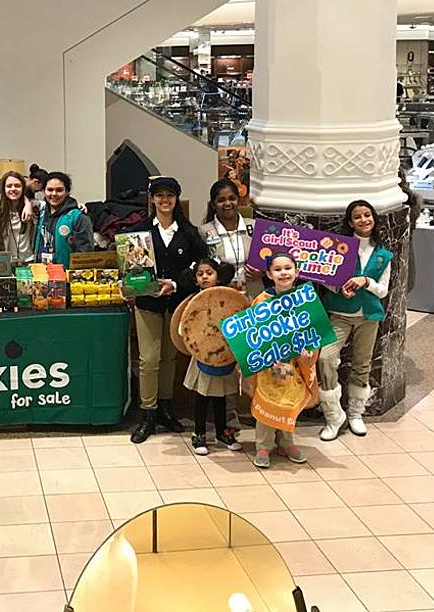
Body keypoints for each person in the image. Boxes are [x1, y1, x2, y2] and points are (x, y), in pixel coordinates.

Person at [126, 175, 207, 444]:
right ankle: (147, 413)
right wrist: (131, 284)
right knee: (149, 358)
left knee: (169, 358)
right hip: (147, 303)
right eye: (159, 195)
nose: (164, 200)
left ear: (176, 199)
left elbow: (199, 265)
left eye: (169, 195)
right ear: (151, 199)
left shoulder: (188, 233)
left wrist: (174, 283)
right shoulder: (138, 232)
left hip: (177, 303)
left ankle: (165, 408)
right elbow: (130, 268)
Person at [319, 199, 393, 440]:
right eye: (358, 216)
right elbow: (326, 279)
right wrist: (339, 287)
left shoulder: (383, 255)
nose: (364, 220)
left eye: (368, 215)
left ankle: (355, 413)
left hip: (368, 316)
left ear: (374, 218)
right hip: (340, 314)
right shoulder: (340, 248)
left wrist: (366, 282)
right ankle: (333, 415)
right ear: (350, 222)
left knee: (363, 364)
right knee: (326, 358)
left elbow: (383, 290)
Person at [250, 253, 319, 469]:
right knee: (268, 401)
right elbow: (254, 334)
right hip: (269, 364)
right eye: (278, 269)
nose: (283, 273)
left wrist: (309, 356)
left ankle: (287, 442)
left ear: (297, 272)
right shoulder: (261, 301)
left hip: (294, 364)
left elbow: (312, 331)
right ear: (269, 274)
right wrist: (267, 357)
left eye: (288, 268)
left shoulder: (304, 300)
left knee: (289, 401)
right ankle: (263, 445)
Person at [182, 258, 243, 456]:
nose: (205, 277)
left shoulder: (228, 298)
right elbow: (186, 328)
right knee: (202, 396)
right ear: (195, 279)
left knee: (221, 397)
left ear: (218, 275)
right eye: (200, 274)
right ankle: (199, 433)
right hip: (202, 355)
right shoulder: (194, 301)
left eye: (209, 273)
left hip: (223, 354)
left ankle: (221, 432)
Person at [199, 178, 260, 295]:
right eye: (221, 200)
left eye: (232, 198)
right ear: (213, 204)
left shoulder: (254, 226)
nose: (227, 203)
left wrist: (262, 271)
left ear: (238, 200)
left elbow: (270, 260)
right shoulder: (204, 231)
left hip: (255, 296)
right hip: (222, 297)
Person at [33, 172, 93, 268]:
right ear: (44, 191)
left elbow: (85, 253)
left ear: (67, 192)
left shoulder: (78, 217)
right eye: (50, 190)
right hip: (41, 274)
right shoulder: (39, 212)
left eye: (59, 190)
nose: (54, 194)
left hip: (66, 275)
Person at [0, 171, 39, 264]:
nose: (13, 189)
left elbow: (52, 202)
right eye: (9, 186)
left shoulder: (34, 206)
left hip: (29, 260)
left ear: (23, 188)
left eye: (17, 186)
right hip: (6, 262)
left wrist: (77, 205)